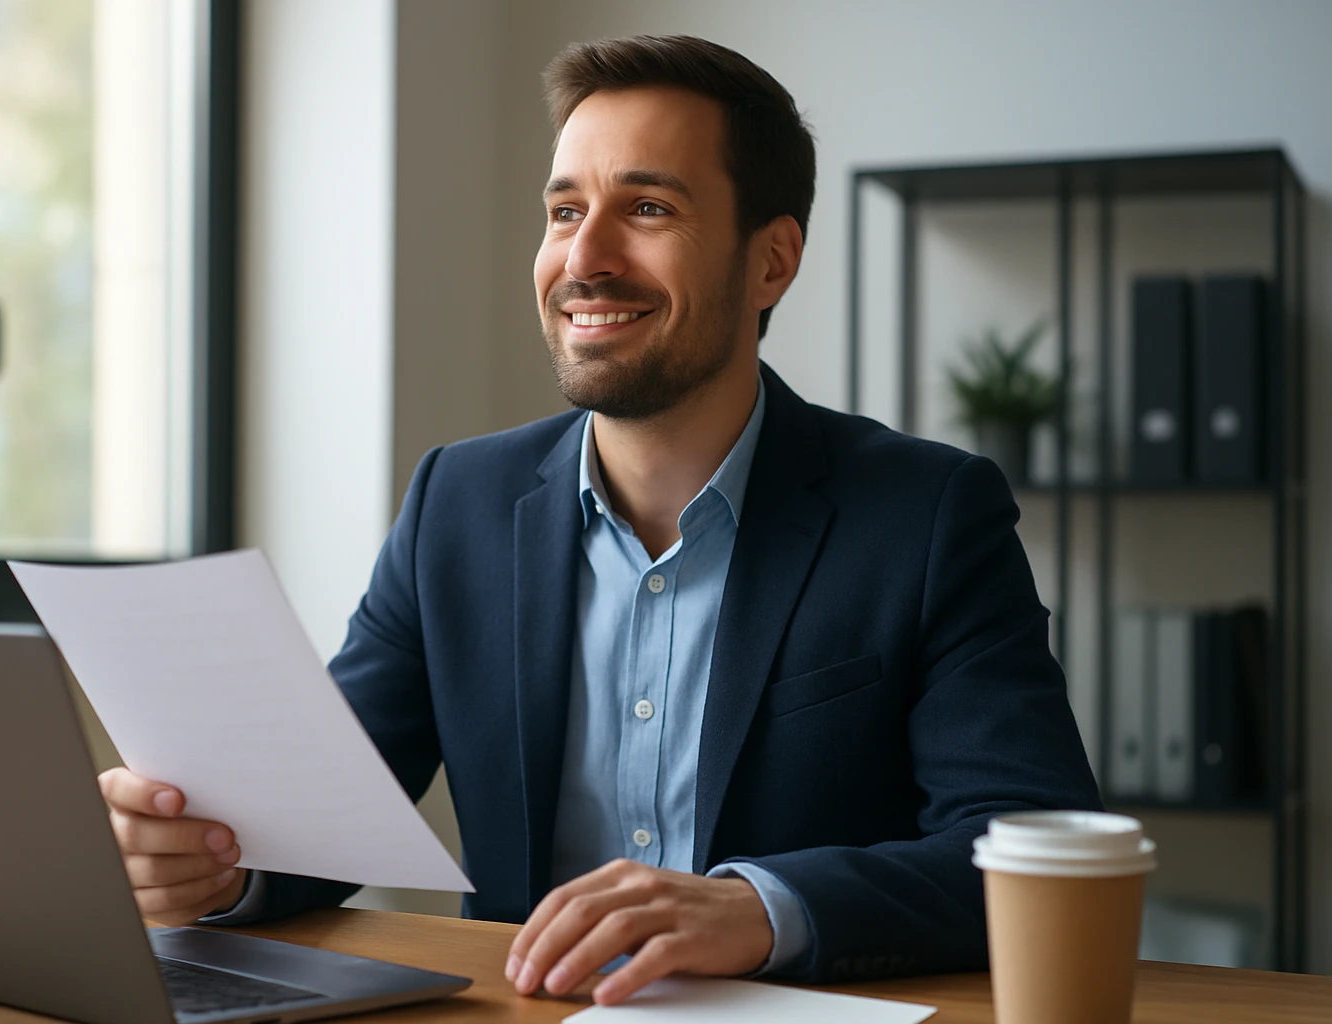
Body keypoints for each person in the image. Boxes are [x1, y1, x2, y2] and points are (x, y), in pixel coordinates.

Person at [97, 34, 1102, 1005]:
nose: (586, 256)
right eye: (565, 208)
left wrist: (756, 908)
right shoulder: (459, 502)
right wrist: (212, 866)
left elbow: (1038, 844)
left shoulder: (925, 514)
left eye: (648, 207)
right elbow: (321, 813)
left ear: (772, 262)